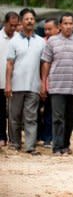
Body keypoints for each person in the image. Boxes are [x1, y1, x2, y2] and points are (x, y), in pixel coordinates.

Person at [5, 8, 46, 154]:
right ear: (22, 22)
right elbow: (9, 64)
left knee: (31, 117)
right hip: (16, 85)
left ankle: (30, 147)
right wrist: (8, 84)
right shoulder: (13, 41)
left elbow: (44, 64)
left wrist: (43, 83)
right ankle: (15, 143)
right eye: (27, 19)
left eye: (32, 19)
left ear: (34, 22)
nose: (30, 21)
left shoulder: (41, 42)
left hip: (34, 85)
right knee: (14, 117)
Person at [40, 13, 73, 155]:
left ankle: (65, 145)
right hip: (57, 85)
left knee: (71, 118)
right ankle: (57, 147)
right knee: (58, 118)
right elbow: (46, 62)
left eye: (71, 23)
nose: (69, 26)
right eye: (65, 23)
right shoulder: (52, 41)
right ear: (59, 26)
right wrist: (44, 83)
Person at [38, 18, 60, 148]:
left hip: (58, 83)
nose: (47, 31)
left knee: (55, 113)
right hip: (44, 81)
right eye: (45, 29)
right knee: (45, 112)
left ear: (58, 28)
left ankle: (54, 138)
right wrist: (43, 84)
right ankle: (45, 137)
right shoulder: (43, 43)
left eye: (49, 29)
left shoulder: (63, 42)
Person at [0, 12, 19, 147]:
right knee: (1, 111)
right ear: (5, 23)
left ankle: (14, 139)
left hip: (17, 81)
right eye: (11, 25)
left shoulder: (19, 38)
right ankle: (2, 137)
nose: (13, 28)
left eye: (15, 25)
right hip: (0, 79)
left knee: (14, 113)